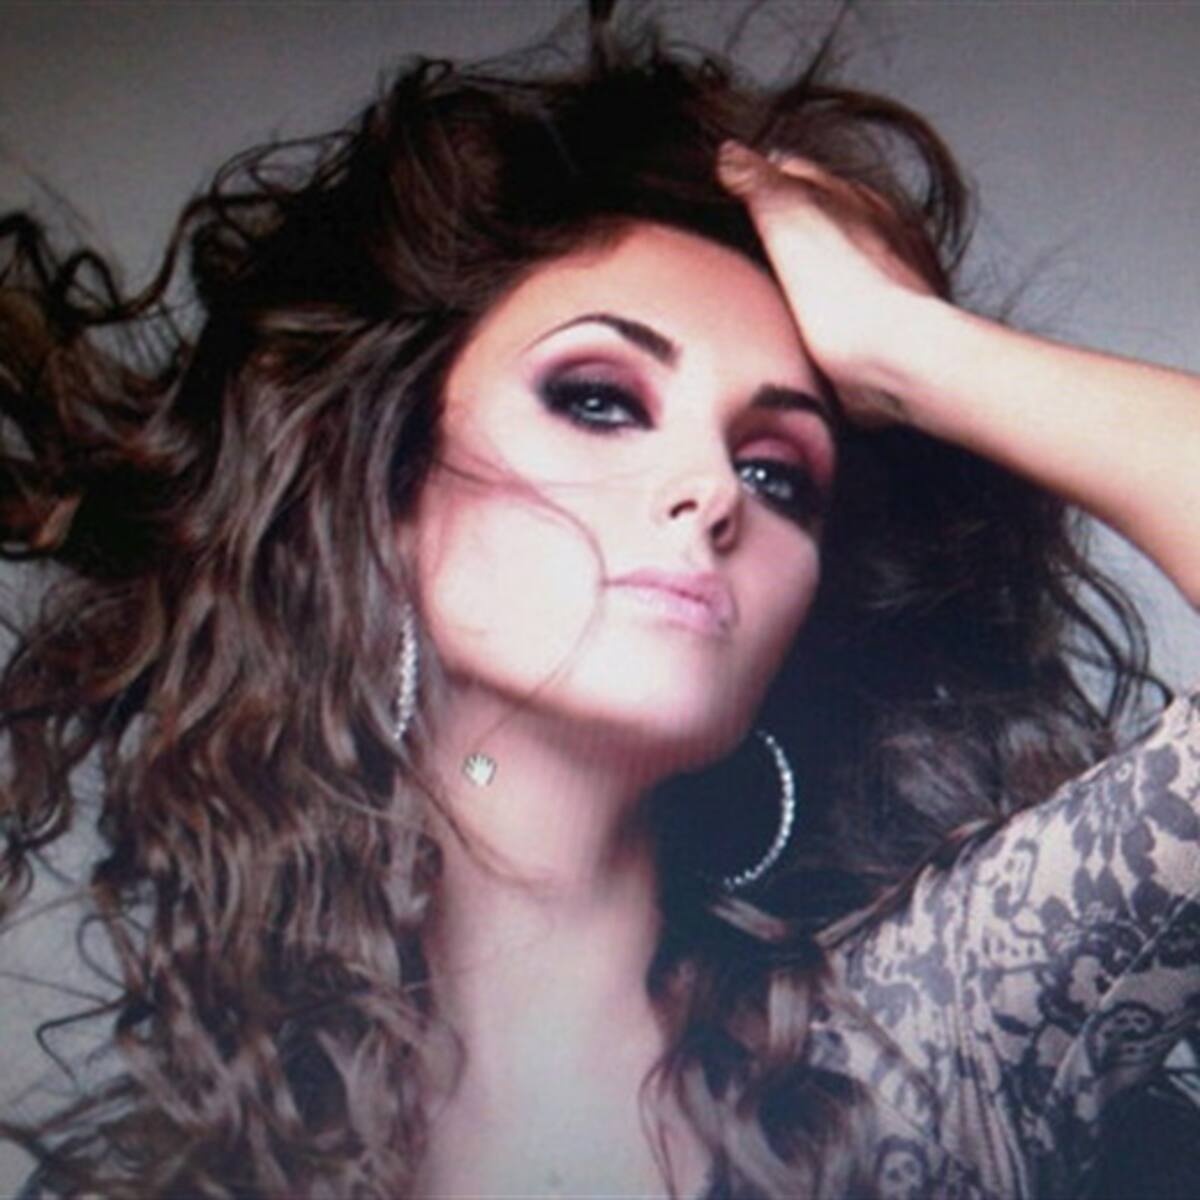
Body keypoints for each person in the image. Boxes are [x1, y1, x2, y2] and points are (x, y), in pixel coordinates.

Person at [1, 3, 1198, 1196]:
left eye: (778, 474)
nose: (710, 491)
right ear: (390, 487)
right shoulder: (207, 1169)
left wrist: (911, 347)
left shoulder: (921, 1047)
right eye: (598, 399)